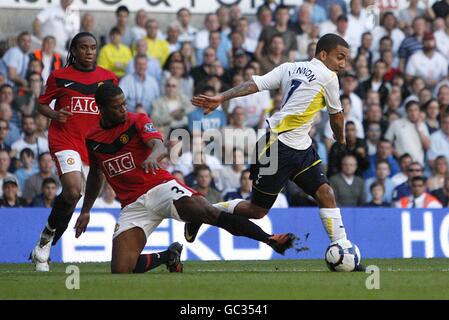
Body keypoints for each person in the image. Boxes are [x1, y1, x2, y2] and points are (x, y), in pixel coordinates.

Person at [73, 83, 296, 274]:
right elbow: (95, 174)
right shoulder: (93, 139)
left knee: (209, 212)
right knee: (121, 269)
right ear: (100, 109)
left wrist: (153, 156)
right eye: (117, 106)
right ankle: (168, 256)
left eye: (124, 103)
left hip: (160, 187)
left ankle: (268, 239)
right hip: (133, 205)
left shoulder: (136, 120)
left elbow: (158, 145)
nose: (123, 109)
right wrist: (85, 210)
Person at [190, 34, 365, 270]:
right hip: (277, 147)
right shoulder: (329, 77)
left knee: (325, 193)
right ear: (323, 55)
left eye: (346, 59)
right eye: (340, 57)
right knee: (257, 210)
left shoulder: (289, 68)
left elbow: (254, 84)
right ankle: (202, 212)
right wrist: (341, 138)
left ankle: (342, 247)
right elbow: (337, 115)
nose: (343, 64)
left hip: (301, 147)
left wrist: (222, 96)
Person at [30, 32, 118, 272]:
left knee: (74, 199)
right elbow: (41, 103)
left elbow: (114, 111)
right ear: (74, 51)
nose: (89, 52)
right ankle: (47, 238)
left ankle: (44, 246)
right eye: (83, 48)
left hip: (93, 144)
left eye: (92, 48)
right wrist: (54, 114)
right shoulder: (59, 77)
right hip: (65, 139)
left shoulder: (108, 78)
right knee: (72, 190)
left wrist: (87, 212)